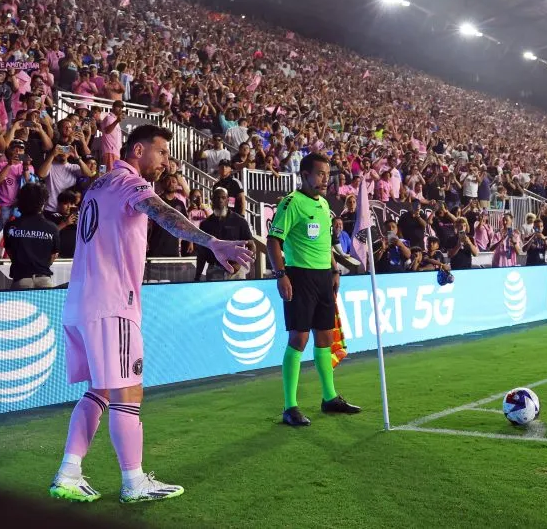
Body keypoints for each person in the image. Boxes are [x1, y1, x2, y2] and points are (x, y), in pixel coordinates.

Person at [49, 125, 253, 504]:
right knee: (129, 391)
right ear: (138, 150)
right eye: (161, 152)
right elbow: (160, 211)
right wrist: (211, 240)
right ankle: (134, 481)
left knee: (100, 389)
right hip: (113, 304)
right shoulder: (129, 182)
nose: (165, 161)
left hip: (81, 302)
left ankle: (68, 472)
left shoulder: (98, 184)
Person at [266, 152, 360, 427]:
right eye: (319, 174)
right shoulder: (291, 203)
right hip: (300, 277)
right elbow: (273, 241)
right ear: (304, 174)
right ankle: (290, 406)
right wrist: (281, 274)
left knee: (325, 338)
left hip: (322, 278)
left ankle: (329, 398)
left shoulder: (323, 205)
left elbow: (324, 241)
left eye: (327, 175)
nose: (324, 180)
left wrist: (334, 269)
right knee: (299, 339)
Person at [4, 183, 60, 289]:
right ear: (43, 202)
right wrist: (40, 266)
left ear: (20, 201)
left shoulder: (11, 226)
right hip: (44, 281)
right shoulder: (52, 227)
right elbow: (54, 254)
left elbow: (10, 252)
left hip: (21, 280)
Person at [195, 188, 253, 281]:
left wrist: (239, 264)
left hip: (237, 272)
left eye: (223, 197)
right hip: (214, 270)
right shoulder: (205, 224)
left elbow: (251, 245)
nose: (220, 200)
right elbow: (201, 253)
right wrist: (197, 276)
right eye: (217, 197)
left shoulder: (240, 221)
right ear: (212, 199)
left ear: (228, 200)